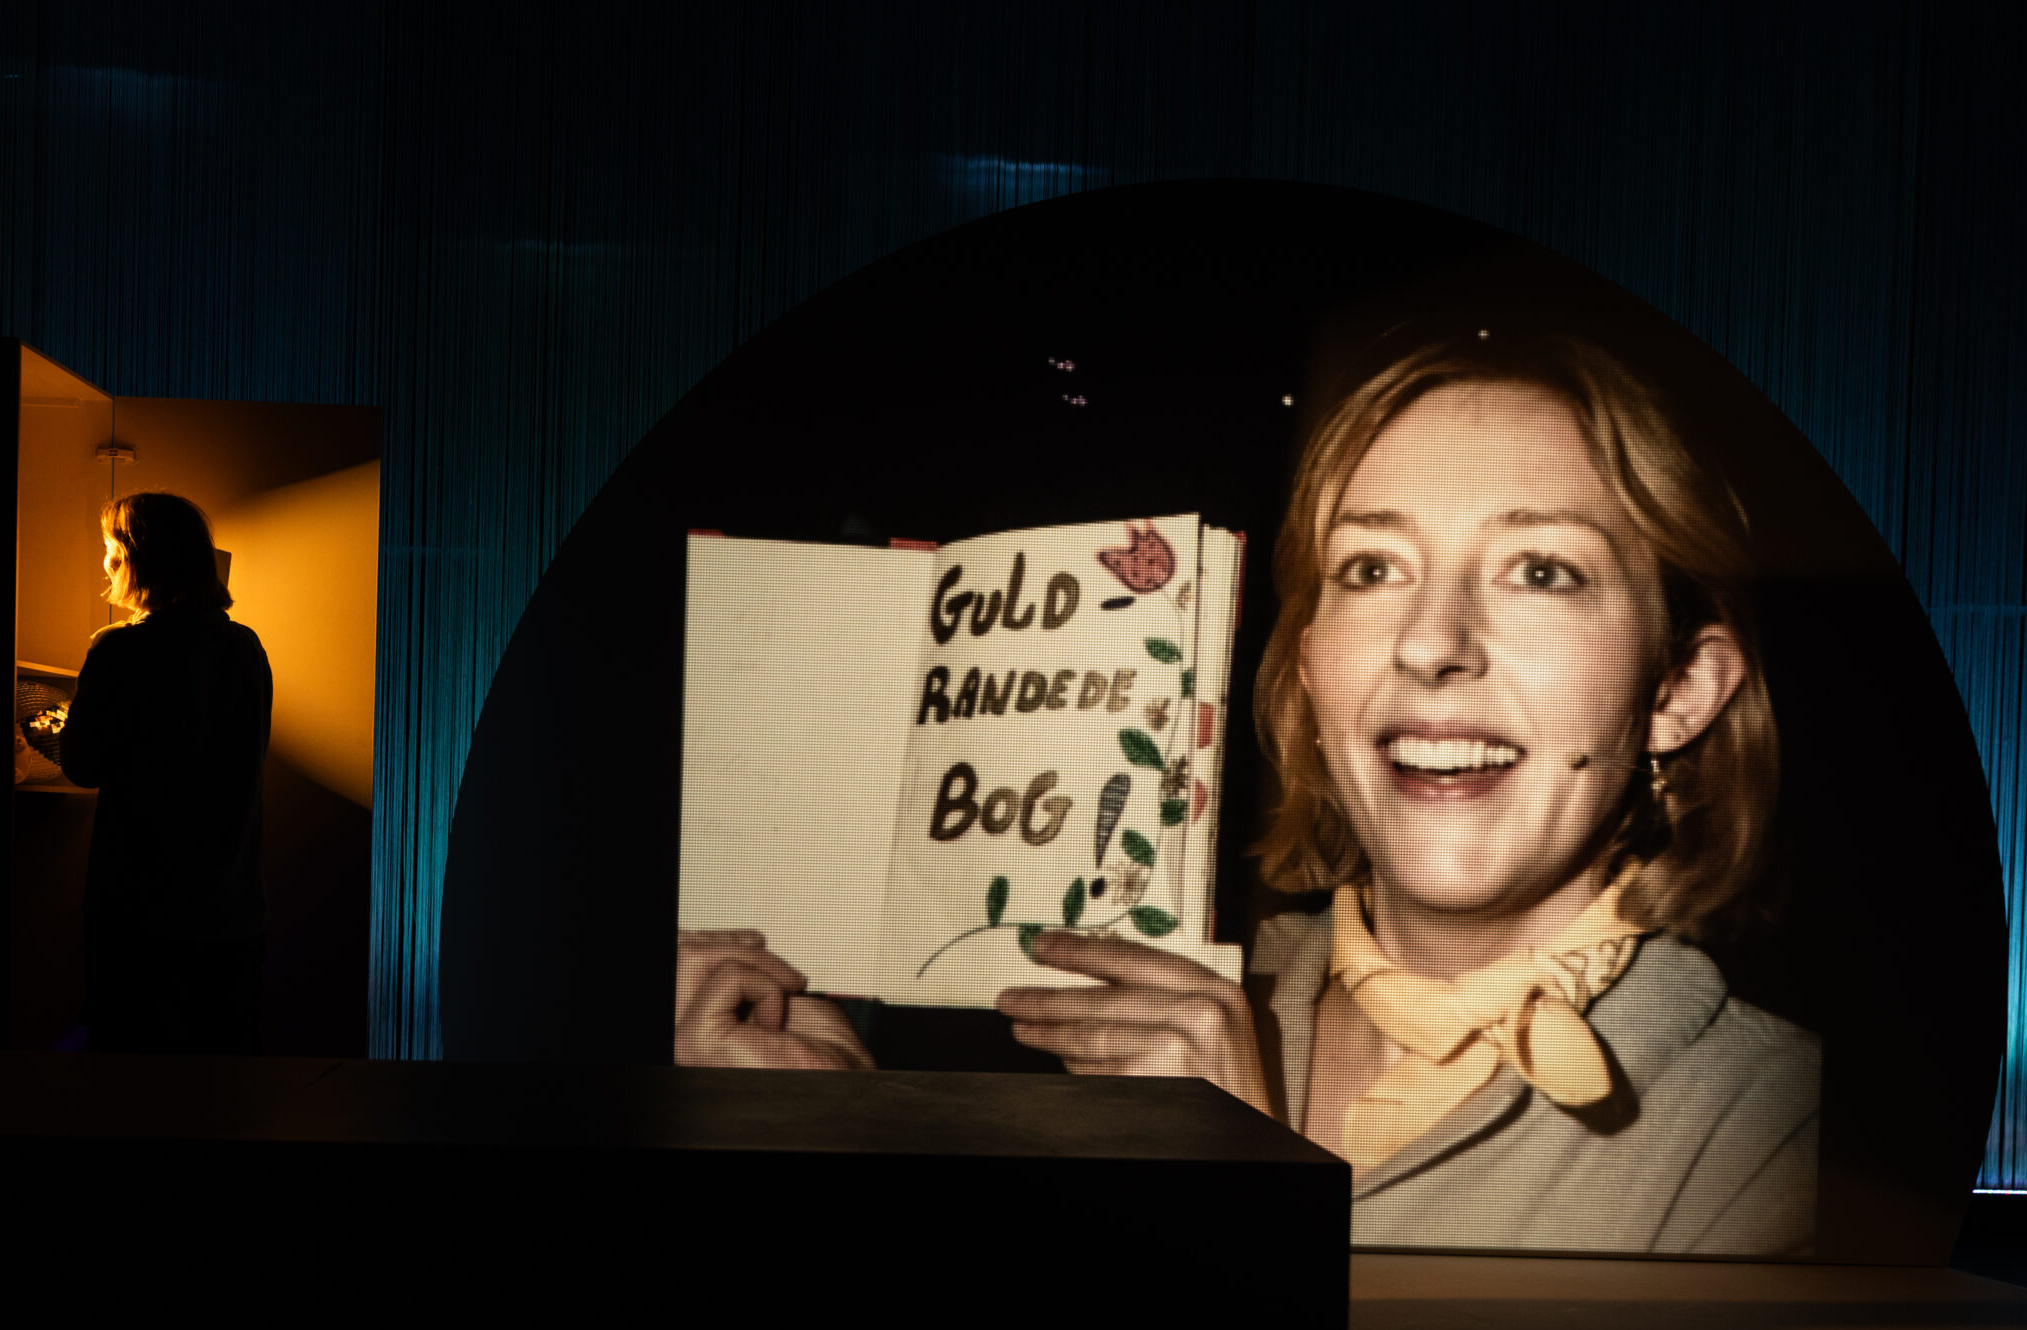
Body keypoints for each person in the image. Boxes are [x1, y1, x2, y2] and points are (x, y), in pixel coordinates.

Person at [678, 331, 1817, 1257]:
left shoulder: (1775, 1130)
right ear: (1311, 661)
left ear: (1678, 689)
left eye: (1541, 570)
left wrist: (1245, 1203)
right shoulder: (1129, 999)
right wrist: (833, 1136)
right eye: (1372, 568)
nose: (1431, 642)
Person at [60, 492, 274, 1054]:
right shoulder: (246, 648)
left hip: (137, 912)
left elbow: (82, 765)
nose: (105, 562)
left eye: (111, 548)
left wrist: (56, 727)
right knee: (221, 1074)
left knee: (130, 1070)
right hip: (233, 907)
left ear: (138, 558)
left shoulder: (118, 650)